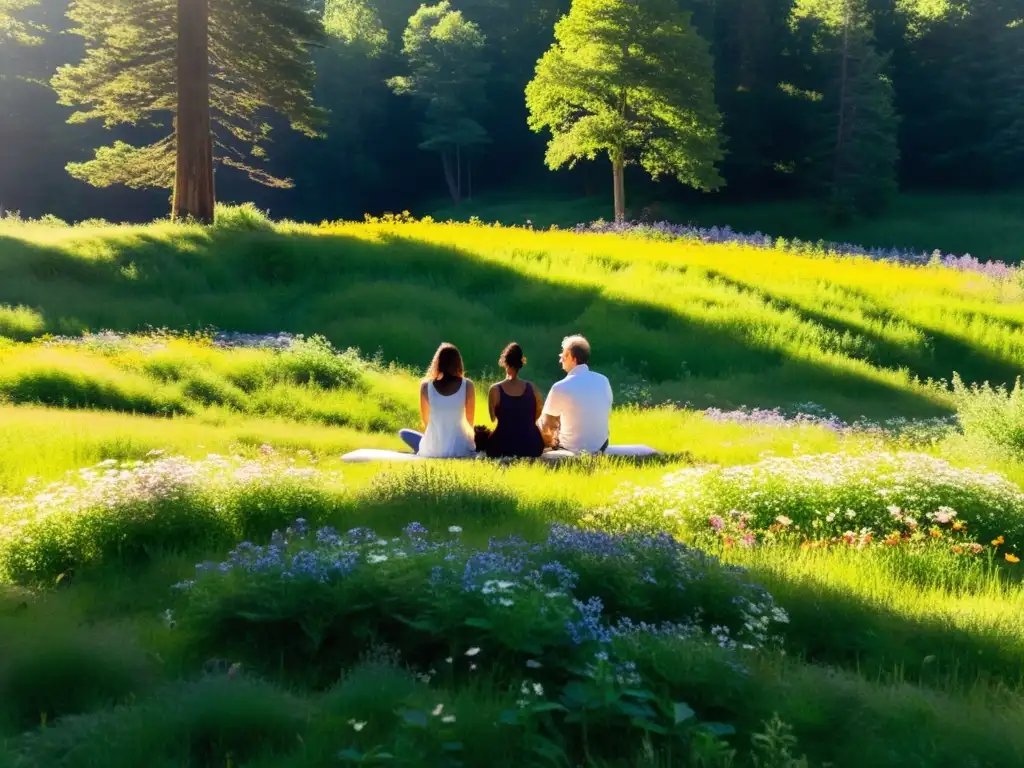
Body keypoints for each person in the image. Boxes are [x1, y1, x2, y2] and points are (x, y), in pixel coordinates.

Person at [399, 342, 477, 458]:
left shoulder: (425, 386)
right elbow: (470, 423)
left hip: (433, 449)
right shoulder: (468, 385)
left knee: (404, 433)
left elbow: (426, 422)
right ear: (458, 363)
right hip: (460, 448)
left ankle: (416, 452)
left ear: (437, 363)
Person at [538, 334, 612, 454]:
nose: (560, 358)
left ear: (572, 357)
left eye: (563, 354)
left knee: (540, 422)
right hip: (601, 446)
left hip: (570, 447)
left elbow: (546, 425)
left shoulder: (560, 387)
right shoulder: (603, 380)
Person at [486, 343, 546, 459]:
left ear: (504, 362)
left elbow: (492, 418)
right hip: (531, 445)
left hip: (503, 445)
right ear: (521, 363)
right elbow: (537, 415)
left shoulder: (495, 390)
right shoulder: (532, 388)